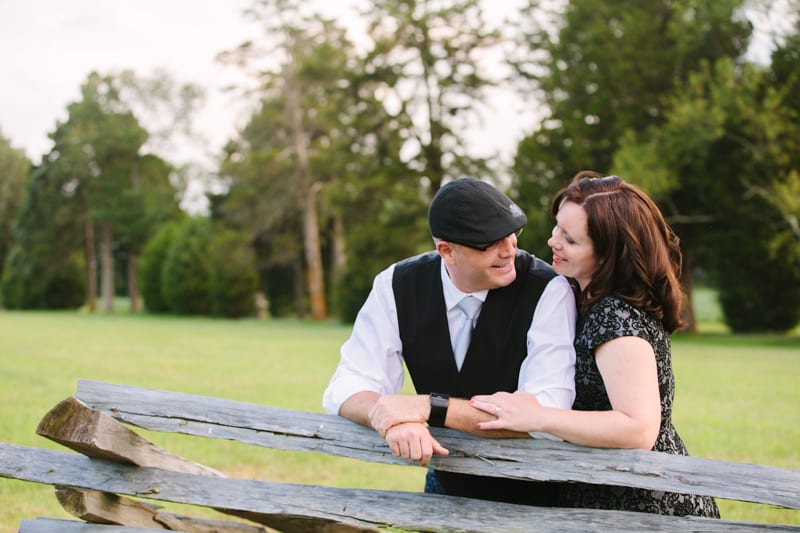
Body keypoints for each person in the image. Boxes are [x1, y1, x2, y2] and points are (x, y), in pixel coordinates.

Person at [470, 171, 720, 517]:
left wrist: (541, 417)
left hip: (645, 507)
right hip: (605, 494)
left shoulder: (615, 317)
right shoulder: (582, 299)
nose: (552, 242)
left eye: (570, 240)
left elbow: (638, 428)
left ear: (607, 255)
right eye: (557, 227)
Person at [323, 177, 577, 506]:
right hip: (445, 484)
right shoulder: (396, 285)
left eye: (513, 233)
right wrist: (388, 417)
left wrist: (428, 407)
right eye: (489, 243)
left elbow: (547, 413)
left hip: (538, 493)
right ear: (447, 251)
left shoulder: (548, 289)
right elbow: (346, 385)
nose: (509, 249)